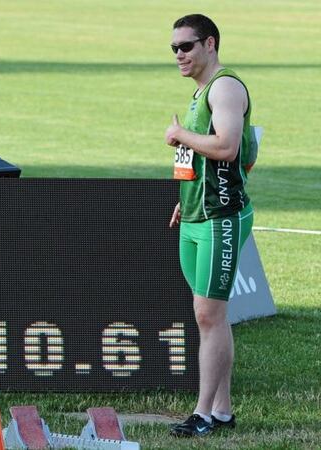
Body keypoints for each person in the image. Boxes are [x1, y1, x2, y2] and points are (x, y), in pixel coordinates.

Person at [164, 14, 256, 437]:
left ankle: (202, 415)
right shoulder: (202, 91)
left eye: (186, 46)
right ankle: (221, 410)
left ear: (210, 44)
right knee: (211, 317)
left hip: (221, 219)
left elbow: (227, 146)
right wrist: (185, 201)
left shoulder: (225, 88)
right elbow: (197, 162)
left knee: (208, 314)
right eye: (174, 49)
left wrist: (180, 136)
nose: (179, 55)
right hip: (197, 215)